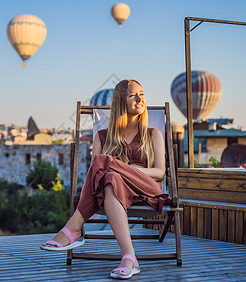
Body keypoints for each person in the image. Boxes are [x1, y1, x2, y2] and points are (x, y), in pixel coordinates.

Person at [40, 79, 168, 279]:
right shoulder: (101, 136)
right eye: (133, 94)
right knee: (109, 177)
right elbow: (96, 178)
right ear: (120, 101)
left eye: (142, 94)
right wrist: (119, 171)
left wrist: (129, 169)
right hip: (115, 192)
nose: (139, 98)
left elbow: (160, 172)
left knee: (102, 162)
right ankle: (129, 257)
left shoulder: (153, 134)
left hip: (146, 190)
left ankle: (73, 228)